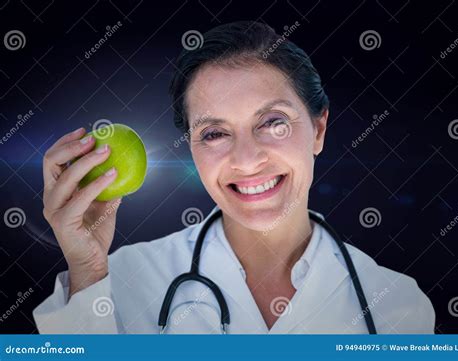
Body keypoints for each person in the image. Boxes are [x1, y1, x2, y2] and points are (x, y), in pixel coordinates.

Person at [33, 21, 435, 334]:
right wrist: (86, 270)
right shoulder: (114, 282)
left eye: (272, 122)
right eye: (214, 133)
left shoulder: (396, 306)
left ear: (318, 130)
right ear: (191, 147)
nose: (246, 160)